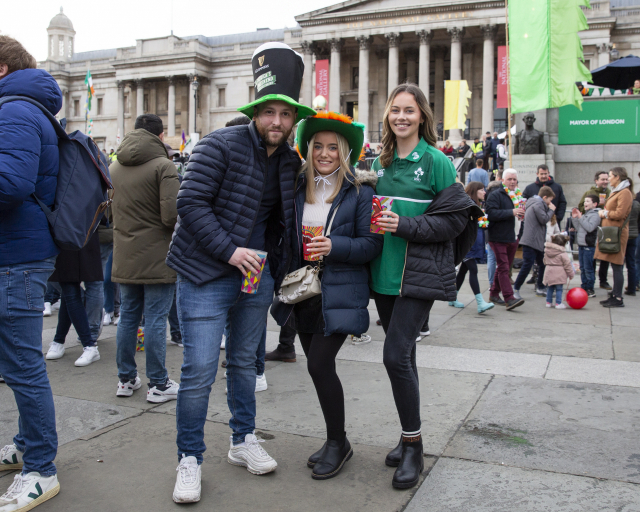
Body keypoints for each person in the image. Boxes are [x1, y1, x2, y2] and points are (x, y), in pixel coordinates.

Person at [166, 42, 316, 504]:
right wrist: (230, 252)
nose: (277, 122)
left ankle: (241, 440)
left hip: (256, 280)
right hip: (204, 274)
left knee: (245, 367)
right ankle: (189, 459)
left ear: (294, 120)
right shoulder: (219, 143)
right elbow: (188, 204)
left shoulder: (292, 162)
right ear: (256, 111)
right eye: (269, 112)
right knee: (198, 370)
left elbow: (287, 219)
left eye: (285, 115)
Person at [369, 83, 482, 489]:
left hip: (416, 275)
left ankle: (414, 446)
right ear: (387, 116)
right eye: (394, 110)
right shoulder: (378, 162)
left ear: (422, 117)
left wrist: (406, 225)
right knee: (406, 358)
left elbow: (455, 222)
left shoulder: (436, 161)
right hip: (382, 274)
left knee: (394, 356)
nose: (401, 117)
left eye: (409, 111)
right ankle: (407, 436)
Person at [272, 112, 383, 479]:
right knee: (318, 369)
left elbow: (372, 244)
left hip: (340, 290)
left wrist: (334, 245)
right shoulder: (294, 187)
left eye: (332, 147)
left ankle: (338, 442)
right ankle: (336, 440)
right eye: (317, 146)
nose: (324, 153)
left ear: (345, 151)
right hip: (304, 289)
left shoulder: (361, 191)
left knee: (320, 364)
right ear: (308, 149)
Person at [0, 35, 62, 510]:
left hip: (17, 258)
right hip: (17, 253)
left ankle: (41, 468)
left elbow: (12, 184)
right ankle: (26, 446)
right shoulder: (24, 107)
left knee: (23, 367)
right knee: (17, 363)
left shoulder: (15, 111)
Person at [110, 114, 181, 401]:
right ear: (160, 136)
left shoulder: (114, 165)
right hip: (157, 255)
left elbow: (109, 211)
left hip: (125, 253)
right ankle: (158, 383)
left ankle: (126, 380)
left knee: (127, 317)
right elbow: (171, 216)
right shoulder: (164, 166)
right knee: (155, 318)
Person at [45, 231, 103, 365]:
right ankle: (60, 340)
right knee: (68, 290)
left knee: (70, 290)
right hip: (67, 233)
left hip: (73, 231)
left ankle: (88, 344)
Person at [448, 182, 495, 314]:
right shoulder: (468, 204)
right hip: (466, 244)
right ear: (475, 191)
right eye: (481, 189)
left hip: (471, 244)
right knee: (473, 270)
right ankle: (480, 302)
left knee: (463, 271)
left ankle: (452, 297)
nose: (484, 192)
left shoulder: (477, 205)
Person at [485, 169, 526, 310]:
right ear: (503, 180)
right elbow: (490, 213)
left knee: (505, 267)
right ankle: (509, 298)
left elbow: (520, 215)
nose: (513, 182)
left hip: (513, 236)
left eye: (515, 179)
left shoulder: (518, 195)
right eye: (510, 179)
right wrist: (511, 212)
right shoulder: (495, 194)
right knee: (503, 267)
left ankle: (494, 294)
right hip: (498, 236)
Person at [595, 167, 634, 308]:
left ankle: (618, 298)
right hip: (611, 232)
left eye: (610, 176)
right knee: (615, 264)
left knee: (617, 265)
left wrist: (604, 214)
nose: (609, 179)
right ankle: (615, 294)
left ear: (617, 177)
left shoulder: (625, 193)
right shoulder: (618, 191)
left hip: (617, 234)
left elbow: (619, 214)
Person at [513, 186, 557, 300]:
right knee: (527, 265)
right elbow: (544, 219)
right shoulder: (538, 204)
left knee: (542, 264)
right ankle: (516, 289)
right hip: (532, 241)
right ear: (545, 197)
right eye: (549, 200)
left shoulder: (534, 203)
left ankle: (540, 287)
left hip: (535, 241)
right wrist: (552, 210)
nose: (550, 203)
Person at [579, 171, 612, 290]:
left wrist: (606, 205)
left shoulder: (610, 193)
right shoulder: (589, 193)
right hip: (592, 230)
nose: (605, 182)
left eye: (606, 179)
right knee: (590, 259)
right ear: (596, 181)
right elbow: (581, 207)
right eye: (602, 179)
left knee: (605, 255)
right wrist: (597, 207)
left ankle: (603, 280)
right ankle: (589, 282)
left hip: (605, 228)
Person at [571, 194, 601, 297]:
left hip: (589, 245)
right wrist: (575, 218)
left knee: (588, 268)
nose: (585, 203)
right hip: (581, 245)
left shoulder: (596, 215)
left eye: (588, 201)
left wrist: (580, 217)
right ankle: (583, 286)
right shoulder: (586, 214)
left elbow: (590, 227)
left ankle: (590, 288)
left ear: (595, 204)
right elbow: (579, 228)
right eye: (585, 201)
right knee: (583, 268)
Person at [543, 234, 575, 309]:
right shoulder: (563, 253)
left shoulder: (547, 251)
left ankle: (548, 302)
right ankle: (558, 303)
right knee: (559, 289)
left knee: (550, 288)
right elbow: (568, 265)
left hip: (549, 271)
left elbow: (544, 261)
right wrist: (571, 274)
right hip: (559, 273)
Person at [485, 169, 503, 284]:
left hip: (490, 228)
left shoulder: (488, 192)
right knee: (501, 259)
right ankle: (497, 282)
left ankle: (492, 282)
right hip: (501, 229)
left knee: (491, 258)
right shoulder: (502, 193)